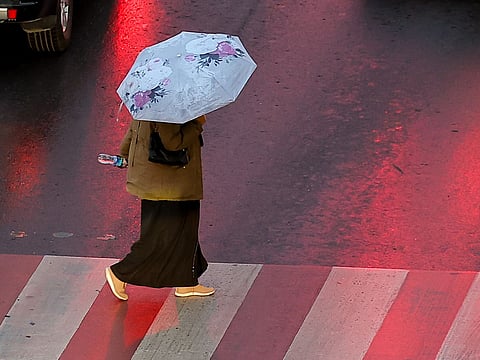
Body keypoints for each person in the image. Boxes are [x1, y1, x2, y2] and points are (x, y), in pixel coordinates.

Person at [105, 115, 215, 300]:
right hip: (169, 185)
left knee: (185, 232)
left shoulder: (150, 103)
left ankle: (187, 282)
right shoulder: (169, 110)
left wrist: (125, 156)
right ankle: (121, 273)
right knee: (160, 238)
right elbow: (172, 142)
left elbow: (131, 134)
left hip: (160, 182)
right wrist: (197, 124)